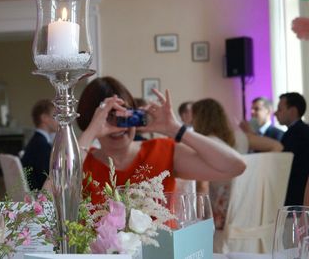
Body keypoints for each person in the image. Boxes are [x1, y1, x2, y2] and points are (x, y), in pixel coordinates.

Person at [76, 76, 246, 204]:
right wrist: (90, 134)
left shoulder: (162, 151)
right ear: (90, 121)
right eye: (107, 117)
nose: (117, 126)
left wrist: (176, 129)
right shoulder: (80, 163)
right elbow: (48, 204)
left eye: (124, 115)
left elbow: (235, 166)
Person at [192, 98, 283, 229]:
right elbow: (277, 146)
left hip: (220, 214)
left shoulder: (204, 143)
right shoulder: (240, 137)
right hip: (248, 206)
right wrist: (256, 172)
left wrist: (200, 223)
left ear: (199, 119)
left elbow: (202, 187)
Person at [275, 92, 309, 206]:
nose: (275, 113)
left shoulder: (297, 134)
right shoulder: (301, 130)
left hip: (297, 196)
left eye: (280, 109)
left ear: (293, 111)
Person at [21, 99, 58, 191]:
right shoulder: (41, 145)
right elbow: (46, 178)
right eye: (55, 115)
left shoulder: (36, 141)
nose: (58, 119)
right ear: (44, 118)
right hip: (39, 195)